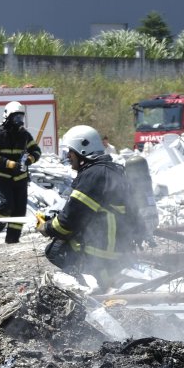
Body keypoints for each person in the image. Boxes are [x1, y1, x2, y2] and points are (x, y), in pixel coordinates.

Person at [38, 125, 130, 291]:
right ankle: (102, 284)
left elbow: (70, 220)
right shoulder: (105, 170)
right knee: (59, 246)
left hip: (103, 247)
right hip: (116, 242)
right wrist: (53, 222)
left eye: (70, 152)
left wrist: (47, 227)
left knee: (56, 250)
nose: (68, 156)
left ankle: (97, 289)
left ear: (83, 150)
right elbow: (77, 211)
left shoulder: (93, 175)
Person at [0, 101, 42, 243]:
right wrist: (9, 164)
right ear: (8, 117)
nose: (19, 121)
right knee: (7, 205)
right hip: (3, 176)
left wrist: (29, 159)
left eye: (21, 117)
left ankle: (12, 239)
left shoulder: (24, 135)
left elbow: (36, 151)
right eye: (16, 117)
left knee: (19, 210)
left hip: (20, 177)